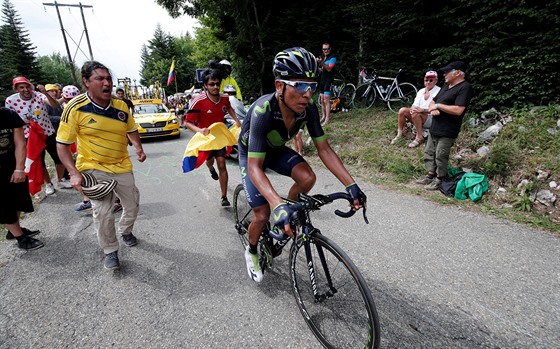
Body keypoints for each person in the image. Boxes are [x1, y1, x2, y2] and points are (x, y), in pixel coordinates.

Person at [238, 47, 365, 283]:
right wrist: (276, 203)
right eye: (299, 85)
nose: (307, 94)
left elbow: (324, 149)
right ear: (279, 86)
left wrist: (351, 185)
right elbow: (255, 167)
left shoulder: (309, 111)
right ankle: (252, 250)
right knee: (263, 213)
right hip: (252, 156)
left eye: (312, 86)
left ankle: (288, 212)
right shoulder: (263, 110)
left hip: (274, 150)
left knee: (307, 178)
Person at [56, 61, 147, 270]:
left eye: (109, 79)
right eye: (100, 79)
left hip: (122, 165)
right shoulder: (75, 108)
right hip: (93, 167)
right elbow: (62, 145)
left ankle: (126, 230)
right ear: (86, 82)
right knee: (103, 211)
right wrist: (73, 173)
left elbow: (131, 129)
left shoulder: (121, 106)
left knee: (132, 204)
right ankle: (110, 251)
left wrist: (138, 148)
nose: (107, 83)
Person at [185, 69, 241, 206]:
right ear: (205, 85)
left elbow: (229, 108)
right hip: (205, 139)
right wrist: (200, 130)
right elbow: (187, 122)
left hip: (219, 137)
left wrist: (237, 120)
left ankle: (224, 197)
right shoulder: (198, 101)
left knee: (222, 164)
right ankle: (210, 169)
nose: (215, 87)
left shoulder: (225, 98)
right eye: (211, 84)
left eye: (217, 84)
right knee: (209, 162)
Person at [416, 61, 473, 190]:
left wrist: (439, 106)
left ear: (458, 72)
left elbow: (459, 110)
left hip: (448, 129)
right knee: (429, 152)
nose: (444, 74)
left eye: (448, 71)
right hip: (435, 126)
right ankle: (430, 176)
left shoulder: (465, 87)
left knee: (441, 155)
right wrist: (433, 108)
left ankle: (440, 179)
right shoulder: (446, 86)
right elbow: (433, 101)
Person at [5, 77, 65, 195]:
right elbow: (10, 118)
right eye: (21, 87)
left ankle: (60, 180)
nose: (25, 89)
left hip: (47, 131)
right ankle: (48, 184)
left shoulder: (38, 95)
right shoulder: (10, 100)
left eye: (27, 86)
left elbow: (55, 105)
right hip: (29, 135)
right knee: (38, 161)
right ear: (16, 89)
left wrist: (45, 93)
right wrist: (22, 121)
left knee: (59, 157)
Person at [0, 107, 44, 250]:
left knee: (18, 198)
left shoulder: (8, 114)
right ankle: (20, 238)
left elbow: (20, 143)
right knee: (4, 204)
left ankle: (13, 230)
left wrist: (19, 168)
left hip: (11, 164)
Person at [391, 70, 441, 148]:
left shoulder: (439, 91)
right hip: (419, 115)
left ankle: (419, 137)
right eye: (426, 80)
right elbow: (414, 105)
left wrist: (422, 110)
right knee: (402, 110)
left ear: (436, 81)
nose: (428, 82)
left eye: (431, 80)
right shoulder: (421, 91)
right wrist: (412, 109)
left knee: (416, 113)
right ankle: (399, 134)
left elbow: (438, 110)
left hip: (432, 118)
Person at [316, 42, 336, 125]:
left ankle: (327, 119)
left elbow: (329, 69)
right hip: (322, 80)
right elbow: (322, 70)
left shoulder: (333, 58)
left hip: (328, 80)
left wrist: (321, 63)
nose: (326, 50)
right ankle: (323, 116)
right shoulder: (323, 58)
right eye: (324, 49)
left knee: (326, 99)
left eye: (327, 49)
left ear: (330, 49)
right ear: (322, 50)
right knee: (322, 99)